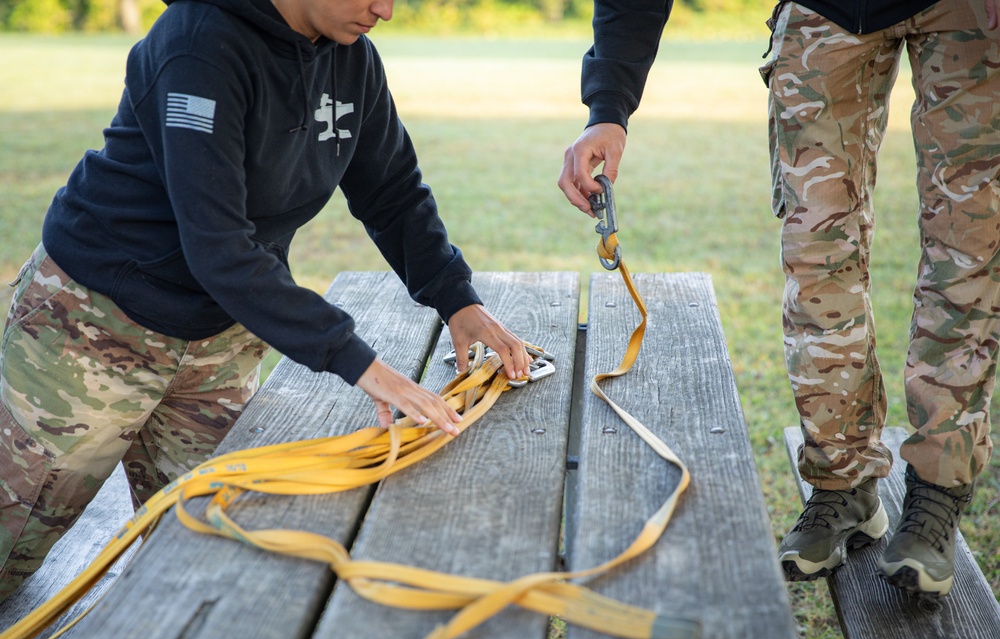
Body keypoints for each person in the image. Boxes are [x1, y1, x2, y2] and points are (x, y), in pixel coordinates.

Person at [0, 0, 532, 601]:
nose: (384, 10)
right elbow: (219, 247)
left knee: (217, 560)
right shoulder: (199, 43)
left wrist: (457, 298)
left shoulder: (352, 58)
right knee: (9, 548)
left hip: (222, 338)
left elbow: (392, 191)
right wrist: (362, 365)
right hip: (91, 332)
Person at [558, 1, 1000, 598]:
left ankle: (937, 497)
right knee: (816, 253)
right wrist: (607, 106)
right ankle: (843, 486)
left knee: (968, 248)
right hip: (828, 10)